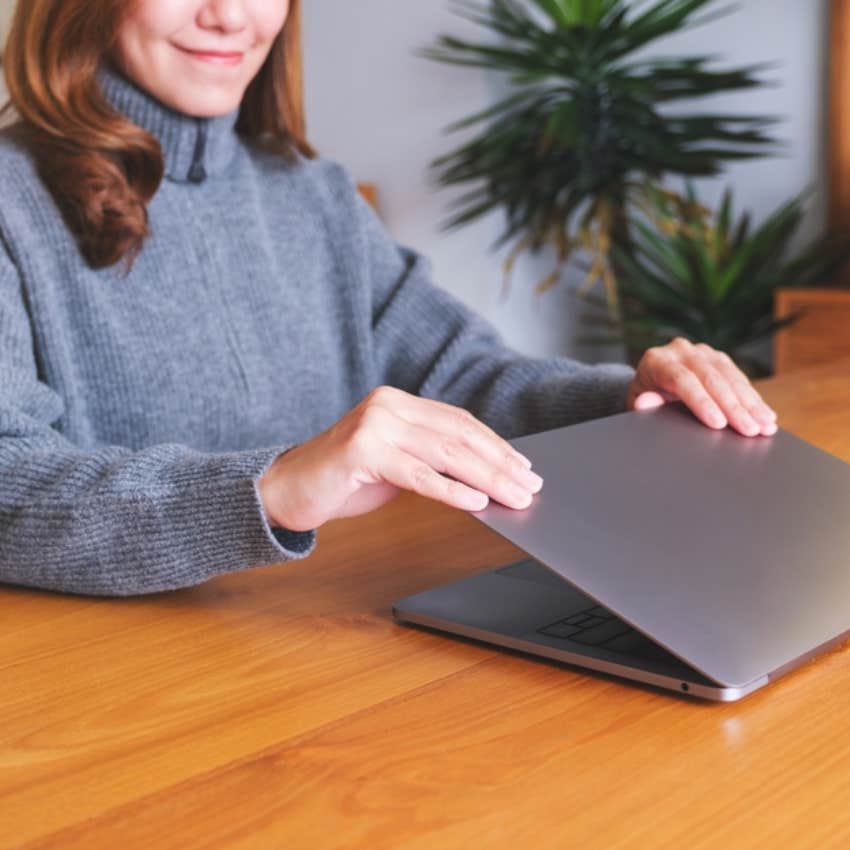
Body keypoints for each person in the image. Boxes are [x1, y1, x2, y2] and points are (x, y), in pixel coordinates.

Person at [0, 0, 778, 597]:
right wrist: (270, 489)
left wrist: (628, 403)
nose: (229, 15)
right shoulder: (11, 202)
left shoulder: (313, 195)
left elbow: (464, 378)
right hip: (112, 702)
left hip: (321, 651)